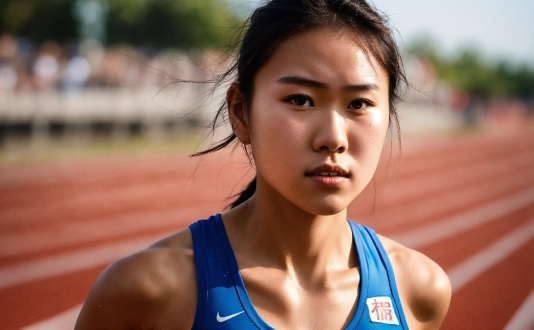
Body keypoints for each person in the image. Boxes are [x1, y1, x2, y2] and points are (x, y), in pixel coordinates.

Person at [75, 0, 452, 329]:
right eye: (301, 100)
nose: (333, 137)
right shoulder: (148, 290)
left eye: (359, 104)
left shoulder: (417, 291)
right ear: (241, 112)